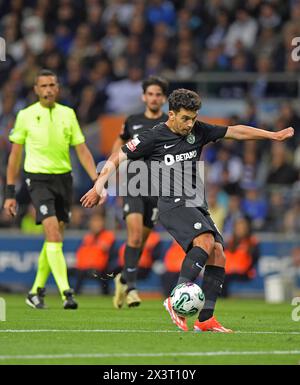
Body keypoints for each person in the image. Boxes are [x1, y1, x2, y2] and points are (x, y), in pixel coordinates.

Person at [81, 88, 294, 332]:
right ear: (171, 115)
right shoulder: (153, 136)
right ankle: (175, 299)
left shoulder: (198, 130)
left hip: (195, 202)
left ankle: (205, 319)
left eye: (193, 118)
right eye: (185, 118)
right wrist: (98, 185)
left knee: (217, 253)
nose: (190, 124)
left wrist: (273, 135)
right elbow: (118, 156)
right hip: (172, 202)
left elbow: (235, 132)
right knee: (204, 241)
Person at [4, 69, 98, 310]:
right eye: (43, 86)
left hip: (63, 180)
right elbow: (14, 157)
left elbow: (82, 150)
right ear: (36, 90)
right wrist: (10, 194)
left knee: (54, 238)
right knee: (54, 234)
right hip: (37, 179)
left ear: (58, 88)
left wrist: (97, 180)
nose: (47, 90)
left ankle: (35, 291)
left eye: (51, 85)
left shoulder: (68, 114)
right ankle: (67, 292)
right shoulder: (25, 115)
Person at [109, 76, 168, 309]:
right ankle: (132, 288)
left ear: (163, 98)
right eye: (150, 94)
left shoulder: (169, 122)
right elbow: (119, 142)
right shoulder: (132, 121)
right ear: (144, 96)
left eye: (158, 94)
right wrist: (114, 167)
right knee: (133, 237)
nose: (154, 98)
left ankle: (122, 278)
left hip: (157, 188)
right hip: (133, 184)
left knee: (140, 242)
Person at [74, 213, 115, 295]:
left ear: (103, 223)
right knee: (71, 272)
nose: (95, 224)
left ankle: (105, 294)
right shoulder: (88, 237)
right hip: (84, 267)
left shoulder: (108, 235)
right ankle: (72, 293)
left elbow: (108, 250)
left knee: (102, 274)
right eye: (93, 221)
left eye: (98, 221)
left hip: (100, 268)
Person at [222, 216, 260, 297]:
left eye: (242, 228)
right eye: (238, 227)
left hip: (244, 273)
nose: (240, 230)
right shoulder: (230, 242)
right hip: (229, 272)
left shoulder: (252, 242)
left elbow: (255, 259)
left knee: (226, 279)